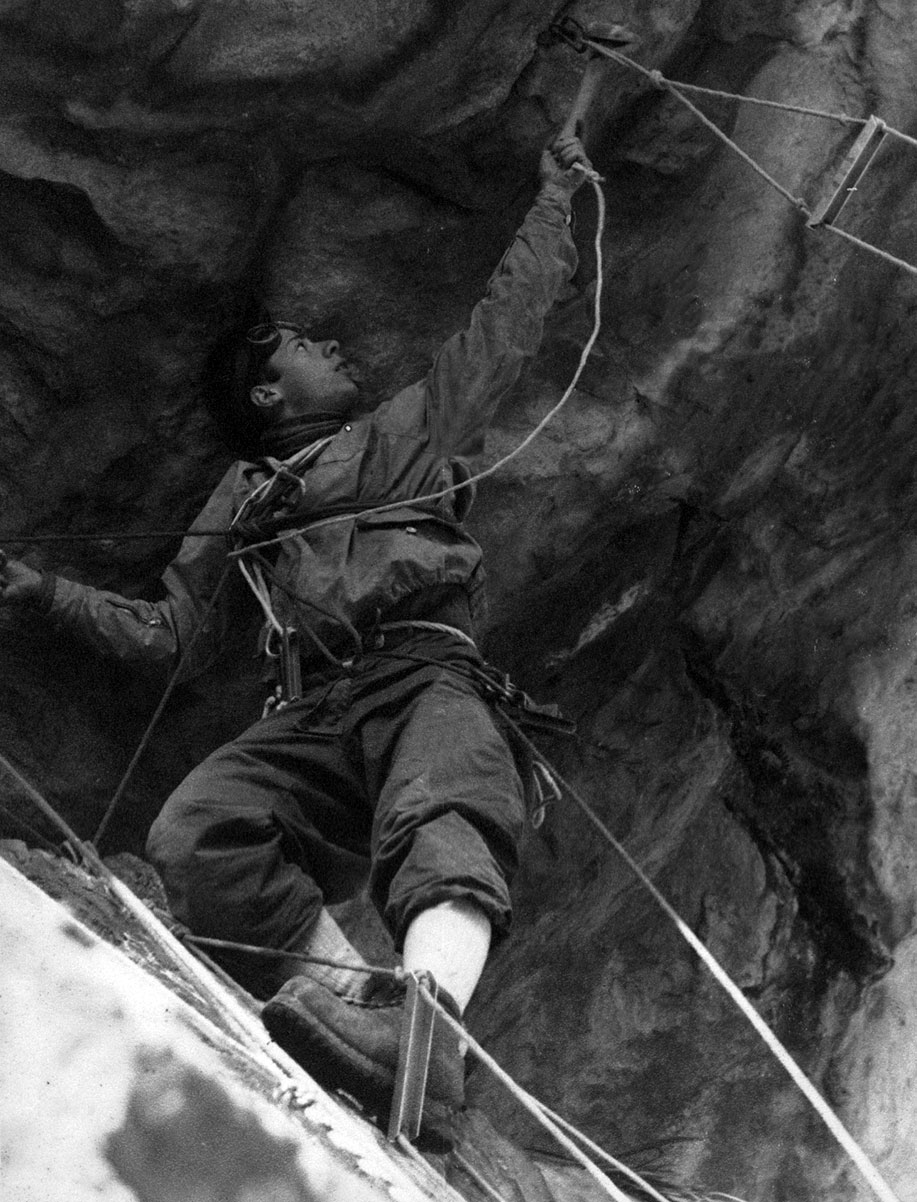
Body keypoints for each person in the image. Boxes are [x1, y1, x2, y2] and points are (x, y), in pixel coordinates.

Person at [0, 133, 591, 1134]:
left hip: (422, 668)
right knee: (199, 827)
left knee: (444, 806)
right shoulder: (237, 496)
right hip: (312, 709)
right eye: (301, 346)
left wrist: (557, 199)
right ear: (267, 396)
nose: (330, 346)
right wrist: (43, 592)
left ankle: (422, 1023)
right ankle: (375, 1011)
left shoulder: (399, 433)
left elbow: (504, 328)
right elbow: (175, 633)